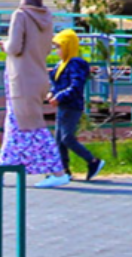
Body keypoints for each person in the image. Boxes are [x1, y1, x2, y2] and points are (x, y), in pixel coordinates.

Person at [0, 0, 63, 181]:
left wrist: (4, 45)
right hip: (39, 75)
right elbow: (47, 47)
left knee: (31, 126)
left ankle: (58, 171)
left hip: (21, 78)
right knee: (16, 125)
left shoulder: (20, 15)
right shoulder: (47, 17)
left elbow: (14, 47)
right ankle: (0, 169)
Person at [43, 29, 102, 186]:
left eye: (59, 47)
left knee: (67, 138)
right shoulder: (61, 64)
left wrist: (59, 96)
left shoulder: (75, 64)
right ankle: (64, 170)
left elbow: (76, 86)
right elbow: (58, 84)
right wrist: (52, 93)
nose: (57, 51)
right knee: (59, 140)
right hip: (63, 106)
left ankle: (92, 160)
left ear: (68, 47)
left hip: (72, 106)